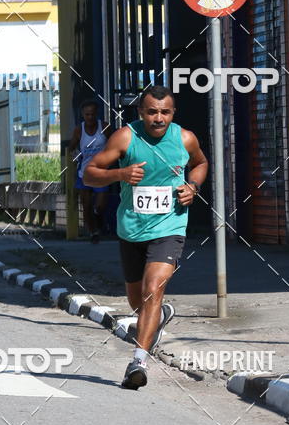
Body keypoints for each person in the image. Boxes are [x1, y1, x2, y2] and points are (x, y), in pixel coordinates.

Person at [83, 85, 209, 390]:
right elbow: (89, 172)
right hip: (131, 230)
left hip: (170, 228)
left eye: (165, 112)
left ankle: (138, 362)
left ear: (173, 113)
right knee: (138, 301)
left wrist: (192, 186)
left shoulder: (185, 138)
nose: (158, 118)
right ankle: (160, 315)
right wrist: (119, 175)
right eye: (152, 112)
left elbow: (201, 163)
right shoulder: (126, 137)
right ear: (141, 112)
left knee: (154, 288)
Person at [68, 100, 111, 243]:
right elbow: (71, 147)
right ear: (83, 115)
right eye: (87, 114)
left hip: (102, 172)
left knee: (100, 205)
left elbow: (114, 144)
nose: (90, 117)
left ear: (96, 114)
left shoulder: (104, 127)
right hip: (84, 173)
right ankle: (93, 233)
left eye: (92, 114)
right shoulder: (79, 130)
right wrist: (75, 157)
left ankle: (98, 219)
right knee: (86, 205)